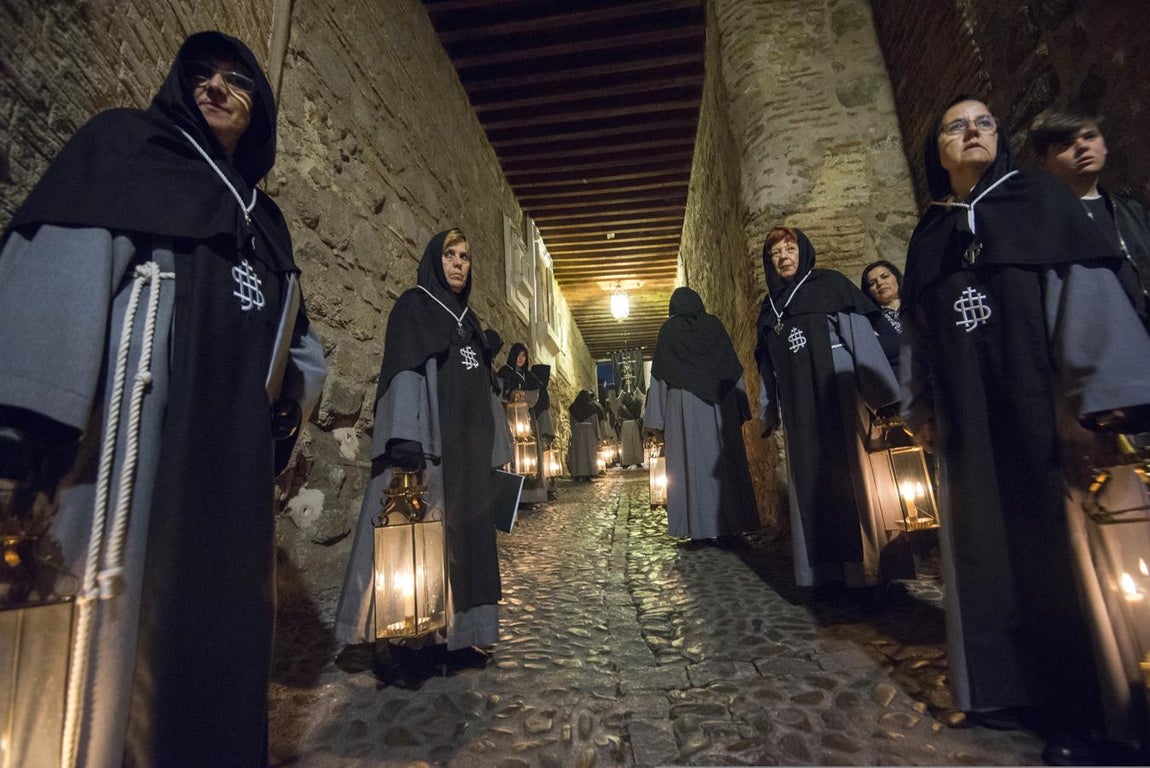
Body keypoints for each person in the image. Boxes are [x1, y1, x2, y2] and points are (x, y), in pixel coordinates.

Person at [0, 31, 326, 766]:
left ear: (258, 109)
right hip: (145, 435)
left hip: (235, 456)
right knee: (123, 628)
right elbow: (66, 264)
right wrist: (27, 414)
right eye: (202, 76)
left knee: (224, 632)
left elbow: (297, 334)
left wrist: (288, 406)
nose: (217, 88)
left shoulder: (263, 220)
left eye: (237, 82)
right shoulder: (128, 150)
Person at [900, 95, 1150, 764]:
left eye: (984, 122)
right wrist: (921, 408)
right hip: (969, 422)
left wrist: (1098, 395)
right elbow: (918, 336)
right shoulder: (930, 236)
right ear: (938, 151)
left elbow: (1082, 290)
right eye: (955, 124)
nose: (972, 131)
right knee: (984, 550)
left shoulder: (1037, 199)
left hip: (1043, 413)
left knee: (1059, 554)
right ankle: (1004, 689)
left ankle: (1087, 710)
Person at [335, 229, 512, 665]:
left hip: (468, 457)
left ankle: (460, 636)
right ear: (436, 259)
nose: (458, 263)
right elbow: (406, 370)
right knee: (415, 547)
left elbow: (486, 388)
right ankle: (400, 643)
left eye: (465, 257)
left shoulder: (468, 321)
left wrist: (497, 450)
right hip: (428, 449)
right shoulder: (414, 307)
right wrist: (404, 436)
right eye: (450, 255)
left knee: (466, 549)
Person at [755, 227, 909, 596]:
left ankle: (869, 575)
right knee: (811, 486)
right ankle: (824, 576)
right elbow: (767, 365)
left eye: (790, 248)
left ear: (803, 251)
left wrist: (885, 398)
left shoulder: (831, 285)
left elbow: (858, 338)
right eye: (776, 252)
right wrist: (768, 409)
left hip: (840, 395)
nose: (784, 257)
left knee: (857, 481)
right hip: (799, 405)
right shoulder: (769, 309)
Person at [644, 287, 759, 541]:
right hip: (720, 406)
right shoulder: (714, 326)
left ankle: (698, 531)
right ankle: (731, 529)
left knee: (689, 466)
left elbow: (660, 376)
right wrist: (741, 405)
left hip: (683, 406)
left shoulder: (669, 332)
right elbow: (732, 366)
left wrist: (656, 420)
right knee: (725, 467)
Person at [1029, 108, 1150, 322]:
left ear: (1104, 146)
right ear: (1044, 163)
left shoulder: (1133, 210)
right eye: (1065, 144)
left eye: (1090, 137)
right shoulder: (1042, 223)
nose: (1082, 146)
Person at [497, 343, 546, 503]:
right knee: (515, 455)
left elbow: (534, 397)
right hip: (511, 418)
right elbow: (503, 393)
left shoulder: (530, 377)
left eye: (524, 356)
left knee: (529, 457)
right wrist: (514, 395)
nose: (521, 359)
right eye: (518, 355)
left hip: (527, 419)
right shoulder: (505, 372)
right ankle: (515, 497)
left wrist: (519, 394)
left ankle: (530, 496)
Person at [567, 390, 602, 481]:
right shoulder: (591, 408)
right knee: (588, 453)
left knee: (578, 454)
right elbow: (595, 422)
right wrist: (597, 435)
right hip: (589, 433)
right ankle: (588, 473)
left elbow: (571, 423)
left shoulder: (573, 408)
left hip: (577, 432)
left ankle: (578, 474)